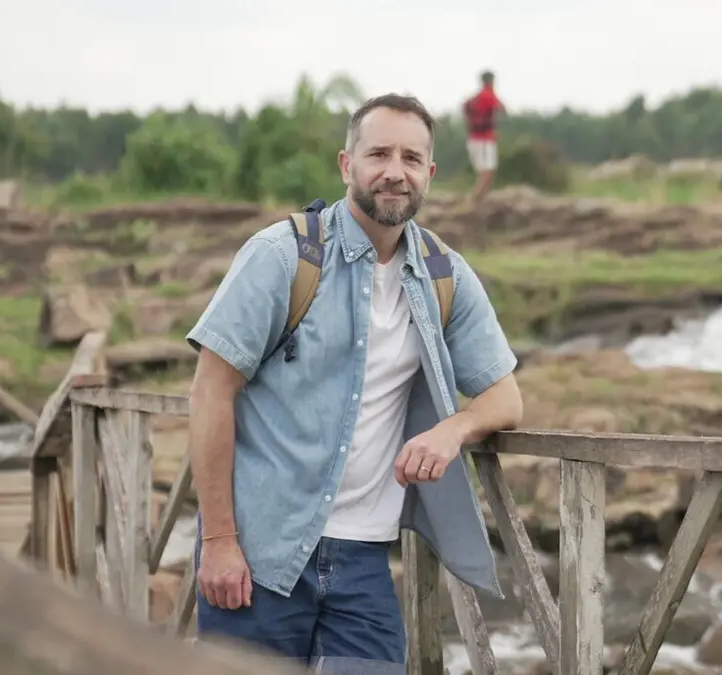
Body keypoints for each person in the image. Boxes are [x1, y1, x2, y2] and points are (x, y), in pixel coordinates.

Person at [185, 92, 524, 672]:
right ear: (348, 165)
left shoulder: (445, 273)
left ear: (430, 174)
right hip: (260, 552)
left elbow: (506, 397)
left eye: (412, 159)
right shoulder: (281, 256)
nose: (395, 172)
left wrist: (454, 430)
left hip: (365, 558)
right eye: (379, 154)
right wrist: (218, 542)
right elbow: (211, 393)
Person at [462, 70, 506, 204]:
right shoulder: (489, 95)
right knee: (488, 171)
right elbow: (502, 108)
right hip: (485, 139)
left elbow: (465, 110)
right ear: (492, 81)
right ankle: (474, 199)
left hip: (473, 138)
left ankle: (480, 199)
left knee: (483, 171)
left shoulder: (474, 98)